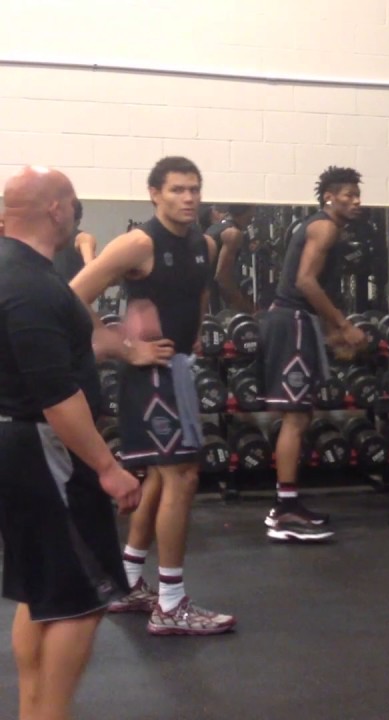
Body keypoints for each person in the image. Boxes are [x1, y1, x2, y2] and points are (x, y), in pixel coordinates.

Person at [70, 156, 237, 636]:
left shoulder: (205, 244)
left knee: (166, 480)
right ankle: (170, 604)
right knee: (181, 477)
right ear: (154, 194)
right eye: (178, 190)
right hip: (150, 375)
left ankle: (129, 580)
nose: (188, 198)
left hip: (177, 370)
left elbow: (198, 296)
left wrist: (197, 335)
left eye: (194, 190)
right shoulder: (138, 243)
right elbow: (70, 296)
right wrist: (124, 347)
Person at [0, 166, 142, 720]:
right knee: (81, 603)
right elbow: (57, 394)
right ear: (58, 210)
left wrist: (114, 344)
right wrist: (107, 467)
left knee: (43, 594)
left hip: (20, 446)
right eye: (74, 202)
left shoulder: (19, 275)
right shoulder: (31, 285)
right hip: (45, 450)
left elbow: (47, 359)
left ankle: (35, 711)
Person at [257, 166, 367, 542]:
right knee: (296, 417)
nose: (355, 201)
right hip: (293, 322)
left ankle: (287, 503)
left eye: (357, 194)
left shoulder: (320, 226)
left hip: (294, 321)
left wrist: (331, 332)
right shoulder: (326, 227)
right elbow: (305, 281)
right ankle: (285, 511)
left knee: (300, 415)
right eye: (348, 194)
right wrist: (342, 325)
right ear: (328, 197)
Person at [205, 203, 257, 314]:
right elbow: (222, 278)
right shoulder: (233, 234)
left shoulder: (217, 226)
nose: (253, 216)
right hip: (210, 297)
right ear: (247, 211)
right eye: (252, 212)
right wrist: (245, 308)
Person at [51, 200, 96, 283]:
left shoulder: (46, 239)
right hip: (72, 291)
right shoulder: (83, 238)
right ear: (79, 220)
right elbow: (91, 267)